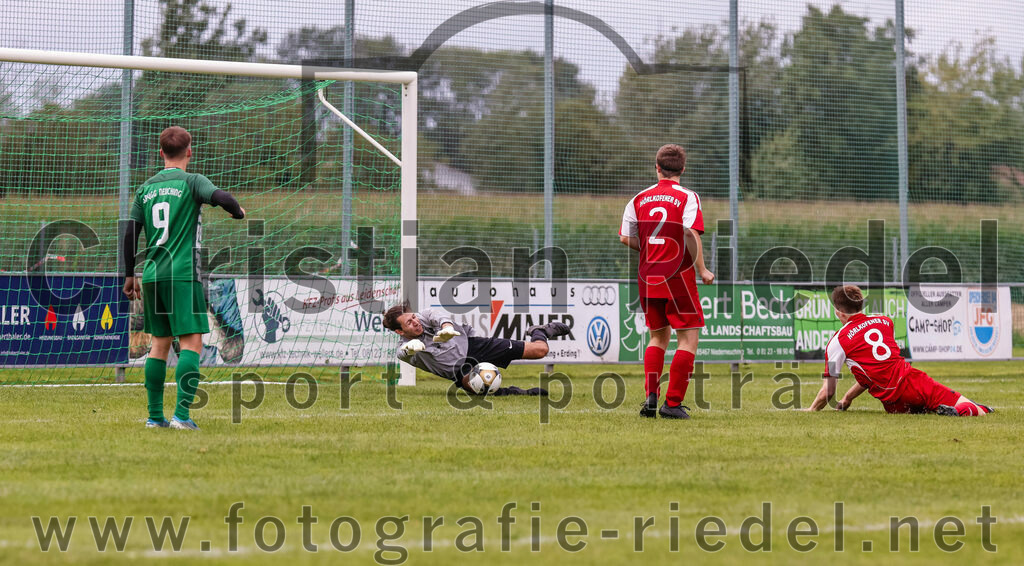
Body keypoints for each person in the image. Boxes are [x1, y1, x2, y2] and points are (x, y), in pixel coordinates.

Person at [123, 126, 246, 430]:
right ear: (190, 151)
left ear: (160, 153)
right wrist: (238, 212)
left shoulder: (145, 188)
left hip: (151, 276)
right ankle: (181, 416)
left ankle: (154, 418)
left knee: (159, 344)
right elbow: (223, 197)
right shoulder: (193, 181)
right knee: (192, 343)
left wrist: (128, 275)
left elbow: (129, 234)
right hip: (181, 274)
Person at [619, 144, 714, 420]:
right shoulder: (687, 197)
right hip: (678, 276)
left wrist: (649, 249)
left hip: (648, 276)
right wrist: (703, 269)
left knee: (657, 337)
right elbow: (688, 233)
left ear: (657, 167)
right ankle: (672, 403)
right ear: (683, 169)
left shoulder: (639, 198)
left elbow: (625, 237)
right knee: (688, 339)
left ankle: (651, 395)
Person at [807, 285, 992, 416]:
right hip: (912, 382)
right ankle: (972, 409)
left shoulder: (837, 341)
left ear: (839, 312)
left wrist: (812, 410)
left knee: (927, 410)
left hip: (893, 403)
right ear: (861, 305)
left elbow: (829, 392)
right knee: (976, 410)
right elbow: (882, 364)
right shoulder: (884, 321)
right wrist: (848, 397)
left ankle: (954, 410)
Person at [382, 302, 568, 394]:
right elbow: (402, 353)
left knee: (540, 350)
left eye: (413, 317)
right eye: (409, 322)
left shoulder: (424, 316)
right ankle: (520, 393)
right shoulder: (405, 349)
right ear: (400, 331)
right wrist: (410, 348)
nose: (415, 322)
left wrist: (447, 327)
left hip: (474, 346)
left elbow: (437, 316)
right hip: (459, 370)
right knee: (478, 387)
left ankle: (540, 330)